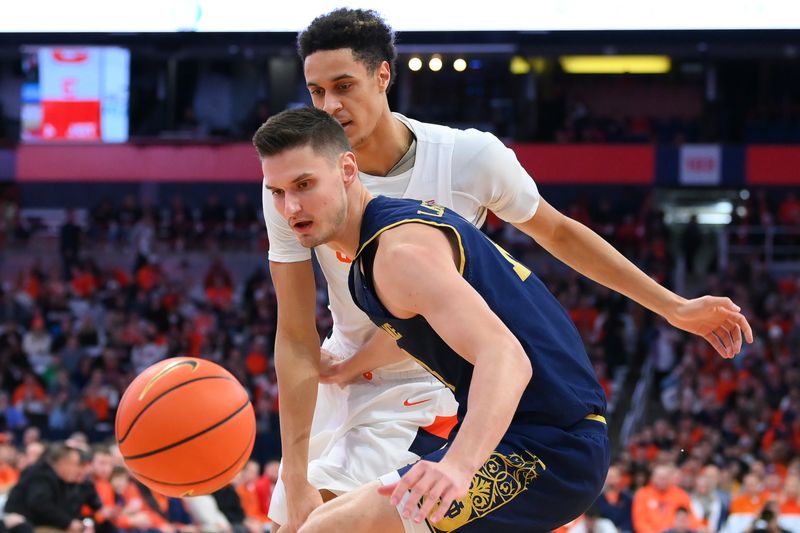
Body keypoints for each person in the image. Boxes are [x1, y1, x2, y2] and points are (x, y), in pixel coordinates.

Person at [261, 9, 755, 532]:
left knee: (336, 527)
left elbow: (558, 234)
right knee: (299, 523)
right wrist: (295, 474)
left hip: (456, 385)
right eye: (316, 92)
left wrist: (672, 305)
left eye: (344, 86)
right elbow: (296, 335)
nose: (331, 106)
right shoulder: (297, 184)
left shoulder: (462, 163)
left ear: (383, 76)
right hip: (373, 371)